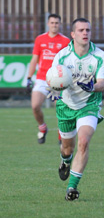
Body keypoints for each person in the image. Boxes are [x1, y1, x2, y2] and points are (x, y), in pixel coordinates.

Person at [48, 18, 104, 201]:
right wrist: (53, 90)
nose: (85, 33)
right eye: (81, 30)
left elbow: (102, 83)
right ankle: (65, 161)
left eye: (88, 30)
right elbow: (53, 79)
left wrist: (92, 86)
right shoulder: (61, 56)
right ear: (73, 34)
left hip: (89, 105)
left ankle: (71, 188)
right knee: (67, 148)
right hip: (66, 105)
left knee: (83, 141)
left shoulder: (100, 56)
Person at [27, 13, 70, 144]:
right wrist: (29, 77)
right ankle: (42, 127)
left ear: (60, 24)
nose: (54, 25)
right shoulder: (40, 39)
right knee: (35, 106)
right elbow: (34, 59)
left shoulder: (65, 41)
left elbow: (68, 62)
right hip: (42, 79)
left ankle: (61, 134)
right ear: (48, 24)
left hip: (58, 80)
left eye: (56, 23)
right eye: (52, 23)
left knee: (60, 108)